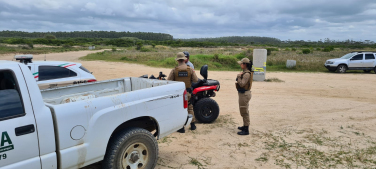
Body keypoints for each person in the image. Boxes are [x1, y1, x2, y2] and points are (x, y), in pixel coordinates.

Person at [168, 52, 199, 133]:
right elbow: (196, 80)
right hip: (187, 92)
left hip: (178, 94)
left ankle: (181, 128)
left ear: (178, 60)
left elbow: (169, 81)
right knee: (190, 108)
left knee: (179, 109)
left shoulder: (174, 70)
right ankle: (192, 125)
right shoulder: (190, 69)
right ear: (185, 60)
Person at [235, 58, 253, 135]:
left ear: (245, 64)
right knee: (243, 110)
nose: (240, 65)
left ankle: (246, 129)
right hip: (243, 94)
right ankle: (245, 126)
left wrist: (238, 76)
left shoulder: (246, 74)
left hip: (244, 94)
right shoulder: (245, 73)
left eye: (241, 63)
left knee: (244, 111)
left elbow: (242, 84)